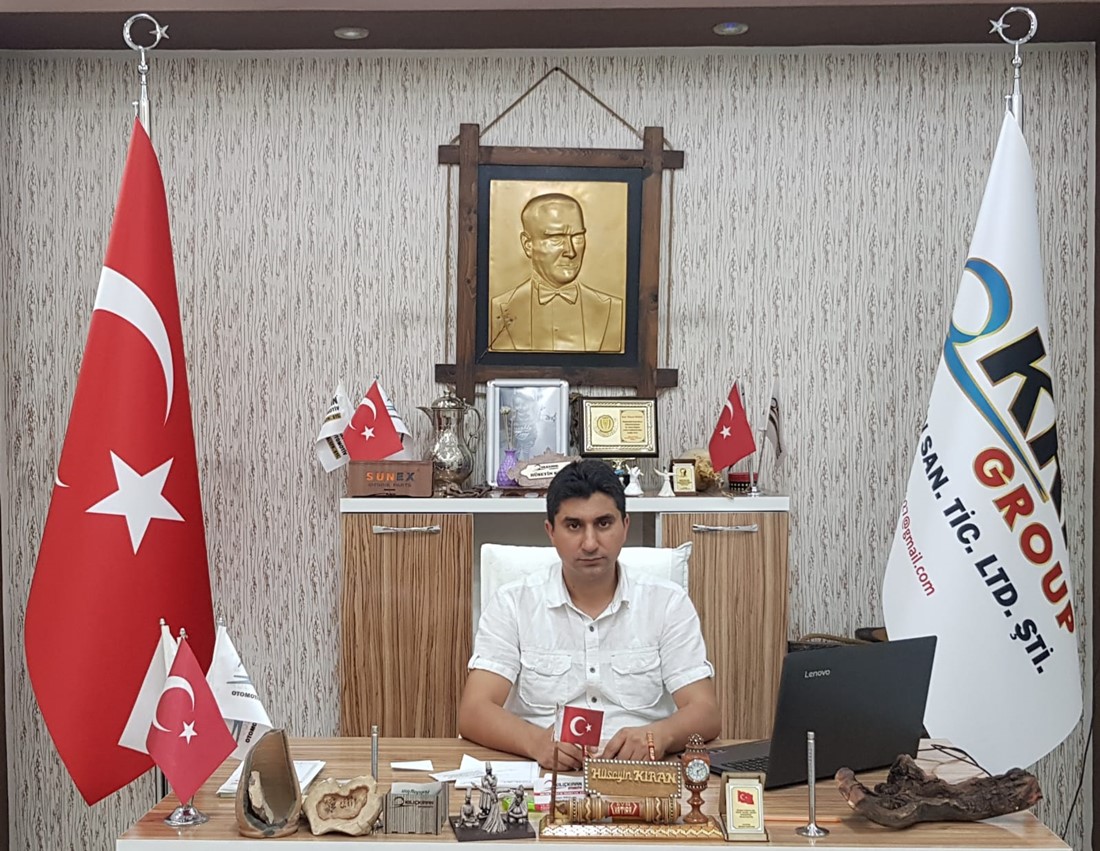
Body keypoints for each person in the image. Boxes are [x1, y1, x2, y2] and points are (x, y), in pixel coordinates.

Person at [458, 459, 720, 769]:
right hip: (544, 772)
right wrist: (536, 743)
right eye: (574, 526)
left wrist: (659, 736)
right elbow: (474, 711)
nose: (590, 543)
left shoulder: (667, 603)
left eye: (604, 524)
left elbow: (706, 712)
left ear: (625, 526)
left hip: (640, 773)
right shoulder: (512, 603)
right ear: (551, 531)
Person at [488, 194, 625, 353]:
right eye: (556, 238)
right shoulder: (499, 308)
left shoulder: (613, 310)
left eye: (577, 237)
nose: (571, 251)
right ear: (528, 245)